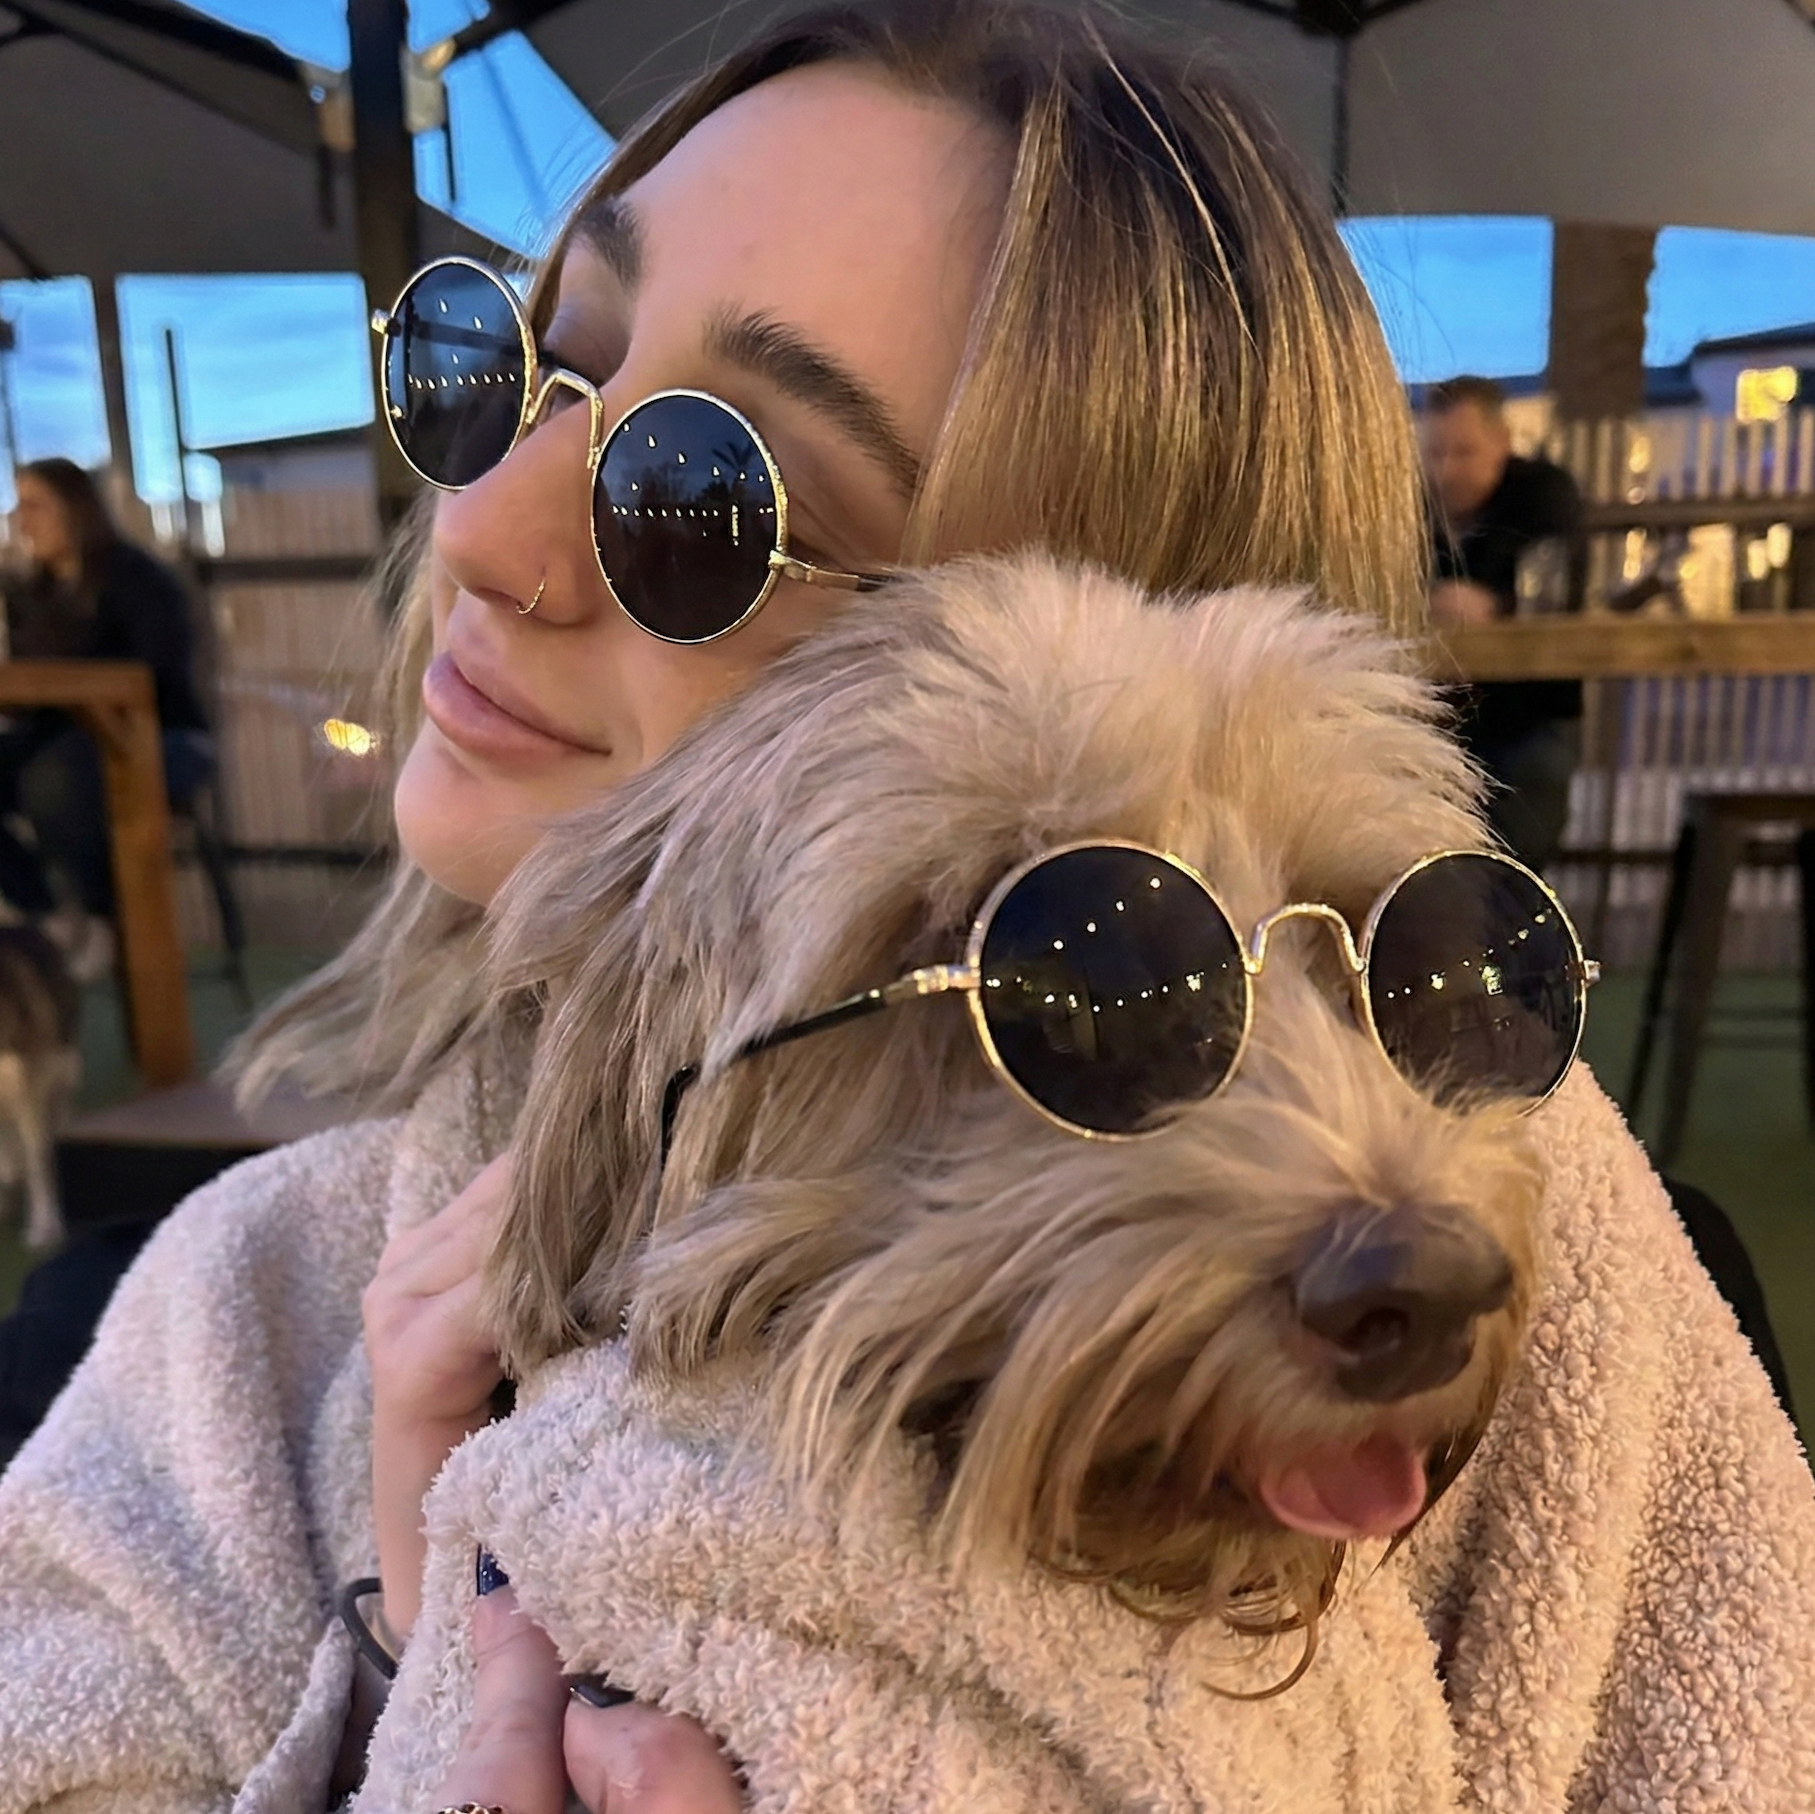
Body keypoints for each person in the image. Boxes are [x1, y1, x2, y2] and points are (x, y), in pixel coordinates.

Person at [0, 6, 1804, 1813]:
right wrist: (420, 1649)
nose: (478, 528)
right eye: (524, 363)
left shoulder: (1551, 1315)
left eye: (712, 498)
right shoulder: (213, 1325)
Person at [1, 458, 214, 977]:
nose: (21, 521)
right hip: (60, 741)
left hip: (163, 739)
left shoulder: (136, 578)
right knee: (41, 769)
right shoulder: (33, 594)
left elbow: (153, 674)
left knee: (55, 779)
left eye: (34, 506)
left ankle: (104, 918)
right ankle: (47, 913)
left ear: (75, 508)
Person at [1421, 375, 1586, 872]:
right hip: (1432, 717)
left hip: (1527, 712)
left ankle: (1514, 927)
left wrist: (1495, 605)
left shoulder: (1542, 493)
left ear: (1503, 444)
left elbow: (1561, 592)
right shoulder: (1406, 503)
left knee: (1531, 793)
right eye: (1435, 453)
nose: (1446, 470)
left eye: (1464, 452)